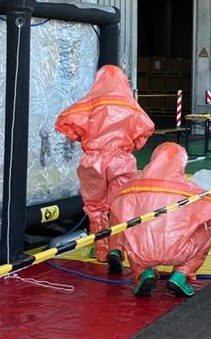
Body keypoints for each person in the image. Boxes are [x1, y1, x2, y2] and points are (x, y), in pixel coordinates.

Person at [109, 143, 211, 297]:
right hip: (180, 251)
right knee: (209, 225)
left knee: (129, 229)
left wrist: (115, 249)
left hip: (142, 253)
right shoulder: (191, 191)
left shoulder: (129, 188)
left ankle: (144, 274)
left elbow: (116, 220)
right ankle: (181, 275)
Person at [55, 65, 155, 271]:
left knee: (95, 208)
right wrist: (129, 145)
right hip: (121, 160)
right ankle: (116, 249)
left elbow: (64, 122)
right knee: (120, 206)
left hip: (93, 160)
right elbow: (146, 129)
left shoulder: (90, 102)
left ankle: (100, 249)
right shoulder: (130, 105)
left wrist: (83, 137)